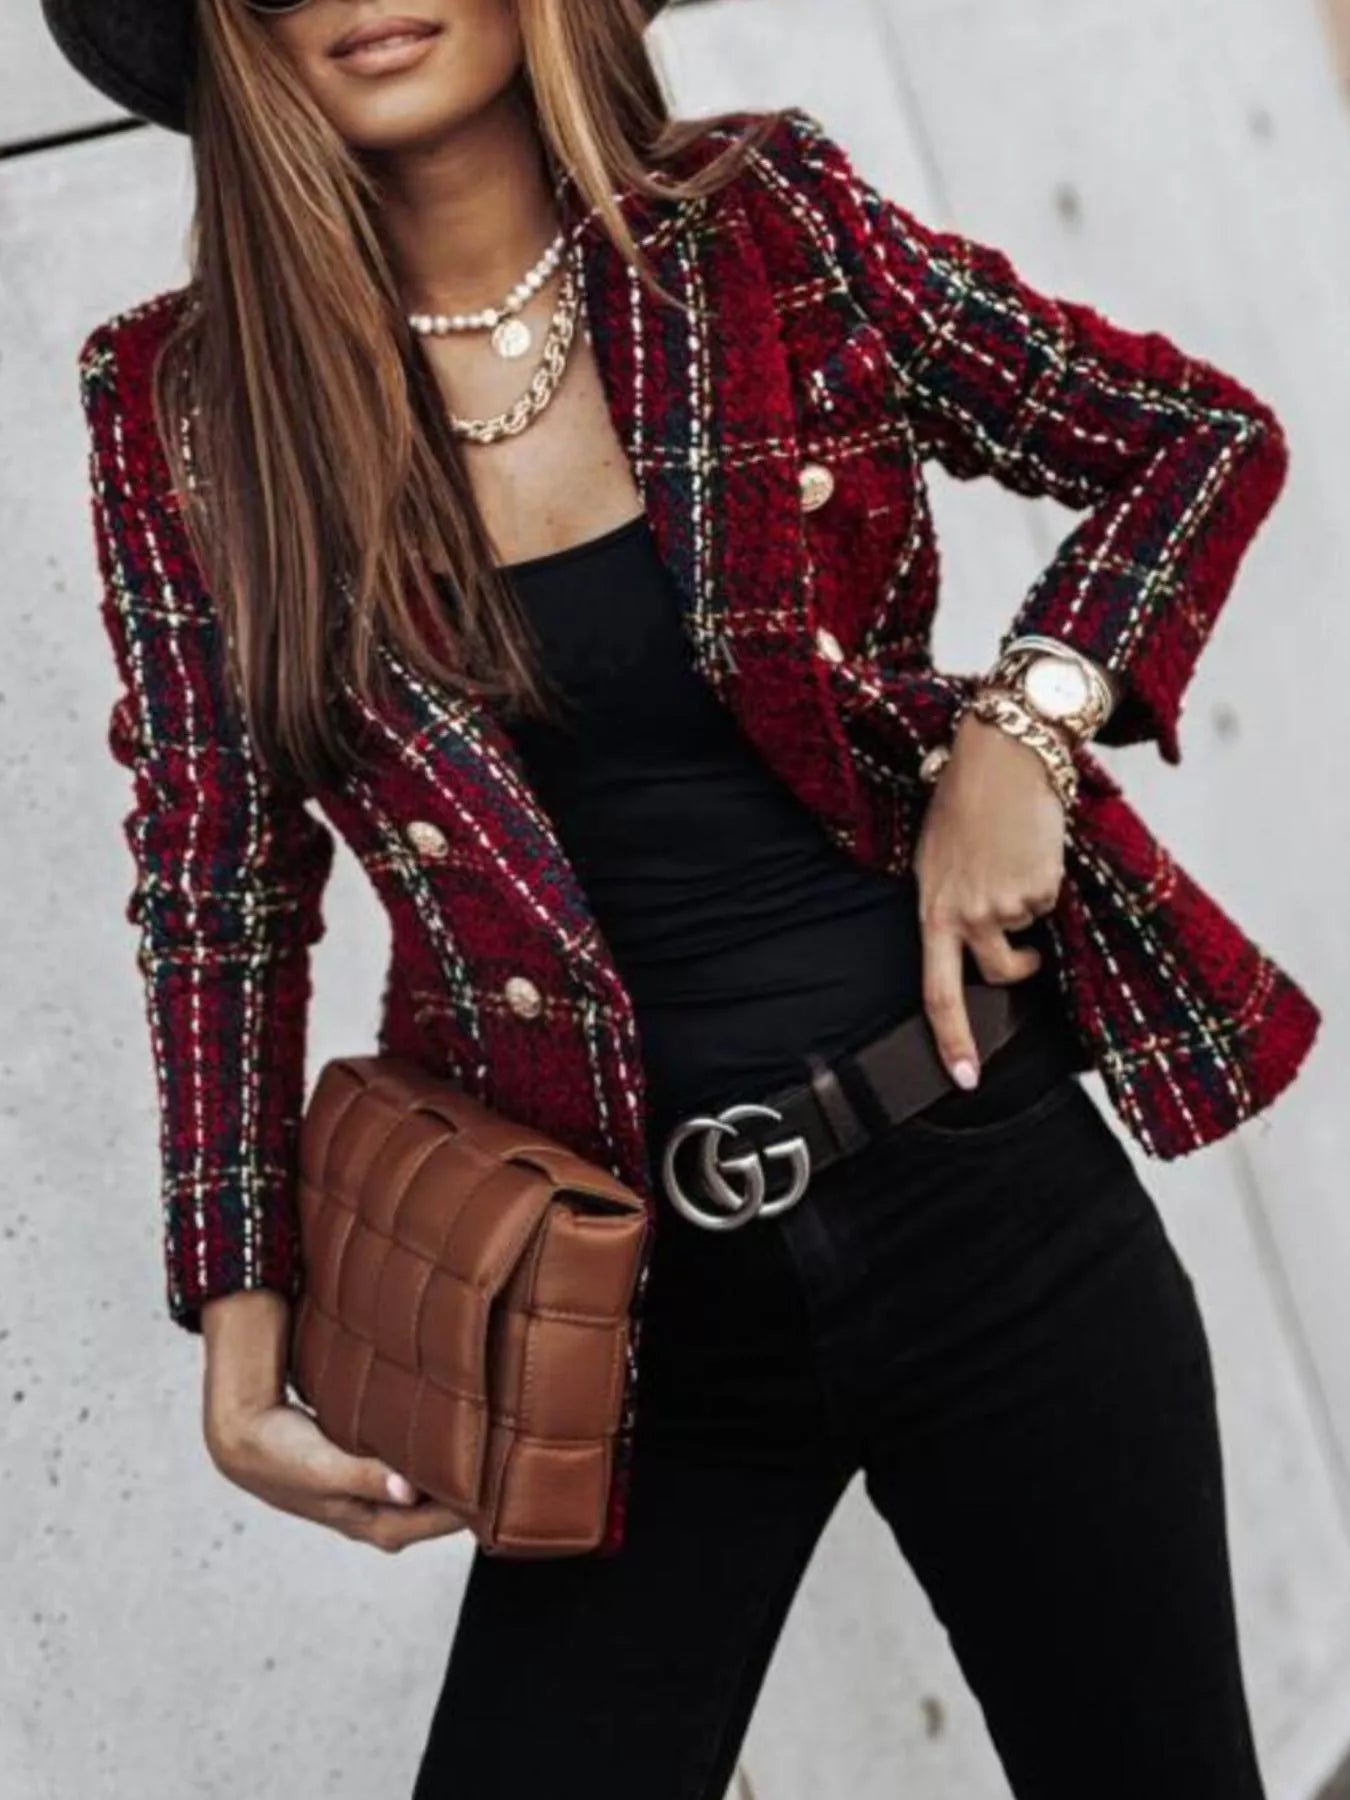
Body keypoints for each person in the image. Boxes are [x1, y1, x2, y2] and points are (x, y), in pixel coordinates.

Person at [47, 1, 1322, 1795]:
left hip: (988, 1207)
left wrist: (1021, 732)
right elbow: (215, 872)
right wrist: (237, 1313)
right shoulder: (181, 409)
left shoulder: (758, 226)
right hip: (619, 1310)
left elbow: (1189, 438)